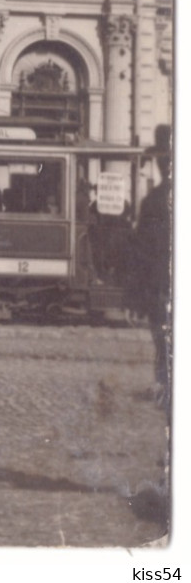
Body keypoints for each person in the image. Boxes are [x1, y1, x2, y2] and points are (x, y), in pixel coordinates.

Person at [127, 127, 172, 407]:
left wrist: (137, 298)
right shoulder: (154, 201)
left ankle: (166, 387)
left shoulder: (154, 201)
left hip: (161, 289)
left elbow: (142, 254)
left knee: (163, 340)